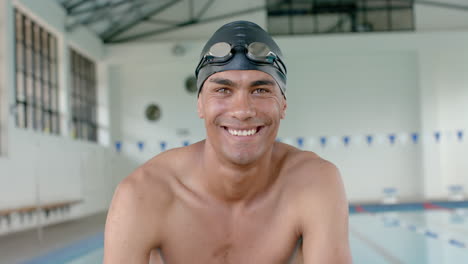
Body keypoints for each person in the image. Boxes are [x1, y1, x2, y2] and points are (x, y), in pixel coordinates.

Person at [104, 20, 351, 264]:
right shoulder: (143, 194)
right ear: (200, 104)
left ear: (283, 105)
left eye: (261, 90)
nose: (242, 110)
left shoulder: (314, 183)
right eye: (223, 90)